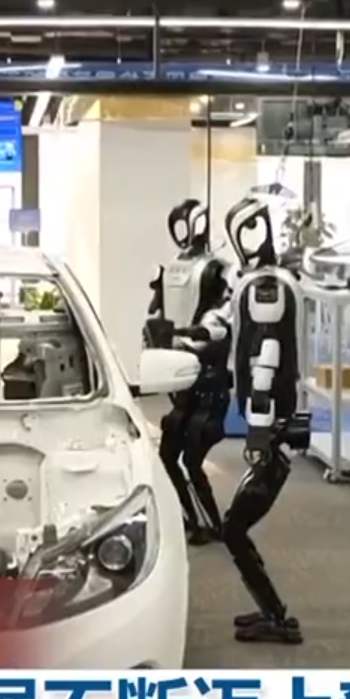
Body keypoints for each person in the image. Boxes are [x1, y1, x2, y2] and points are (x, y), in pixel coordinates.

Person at [220, 195, 311, 645]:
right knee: (235, 528)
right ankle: (271, 612)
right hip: (272, 421)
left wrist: (258, 429)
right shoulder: (266, 282)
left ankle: (277, 618)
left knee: (233, 528)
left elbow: (266, 357)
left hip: (270, 424)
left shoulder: (264, 287)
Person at [145, 199, 232, 546]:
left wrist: (188, 335)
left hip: (208, 378)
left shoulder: (217, 270)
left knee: (193, 458)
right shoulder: (170, 269)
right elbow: (155, 313)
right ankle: (191, 520)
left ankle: (214, 524)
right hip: (179, 376)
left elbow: (220, 323)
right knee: (169, 456)